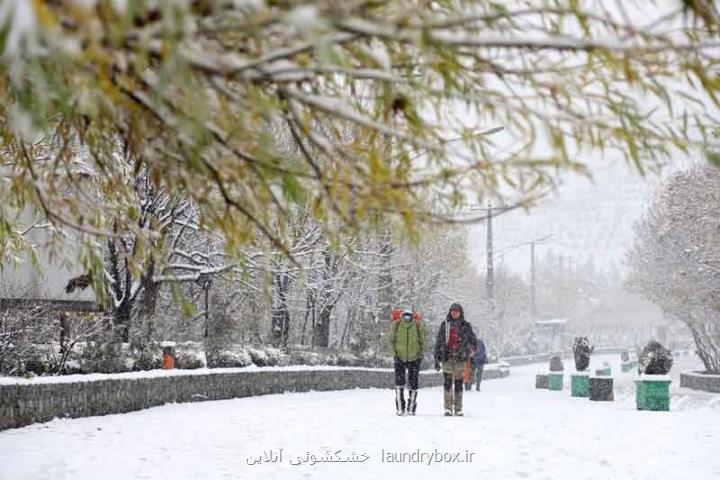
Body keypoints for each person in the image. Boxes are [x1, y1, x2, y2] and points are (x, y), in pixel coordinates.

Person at [434, 303, 477, 416]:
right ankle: (447, 408)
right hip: (447, 357)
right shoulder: (445, 325)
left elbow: (473, 340)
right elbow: (439, 341)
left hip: (461, 358)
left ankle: (458, 408)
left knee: (458, 384)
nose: (454, 313)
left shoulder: (466, 326)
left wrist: (471, 350)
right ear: (450, 312)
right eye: (453, 311)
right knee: (447, 383)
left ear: (460, 312)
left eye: (457, 311)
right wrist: (436, 357)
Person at [389, 309, 427, 416]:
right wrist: (394, 354)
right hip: (399, 358)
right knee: (399, 383)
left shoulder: (417, 326)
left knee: (413, 383)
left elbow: (423, 340)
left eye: (409, 316)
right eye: (405, 316)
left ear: (412, 317)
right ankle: (400, 407)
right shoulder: (396, 325)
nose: (407, 318)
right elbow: (390, 340)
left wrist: (420, 355)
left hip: (414, 358)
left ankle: (411, 407)